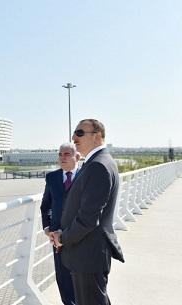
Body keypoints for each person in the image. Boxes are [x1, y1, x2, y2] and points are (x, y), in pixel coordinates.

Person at [52, 119, 125, 305]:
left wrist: (62, 238)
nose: (74, 137)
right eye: (74, 133)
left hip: (88, 254)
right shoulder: (96, 162)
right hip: (88, 253)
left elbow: (88, 219)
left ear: (98, 136)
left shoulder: (98, 166)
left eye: (80, 132)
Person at [40, 143, 79, 305]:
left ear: (77, 157)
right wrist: (47, 228)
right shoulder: (52, 177)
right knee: (62, 275)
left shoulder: (85, 176)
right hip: (56, 236)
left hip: (79, 233)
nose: (62, 158)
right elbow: (46, 204)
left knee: (79, 274)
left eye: (67, 154)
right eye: (60, 155)